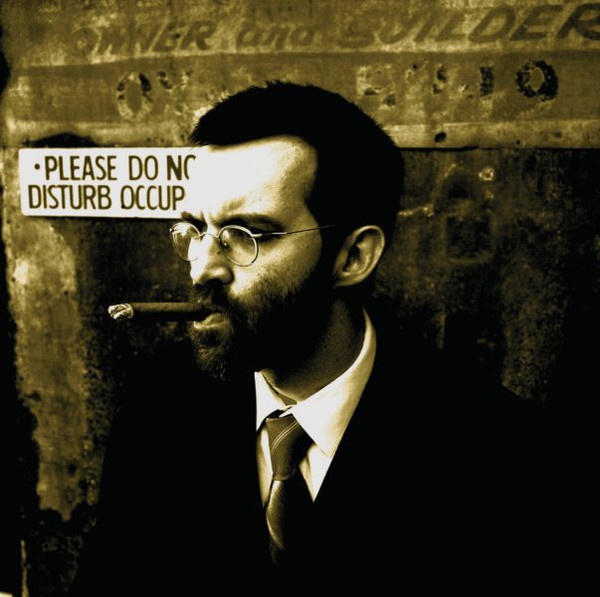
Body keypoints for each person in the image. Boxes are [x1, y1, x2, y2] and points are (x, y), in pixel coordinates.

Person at [70, 81, 554, 595]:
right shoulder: (159, 408)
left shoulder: (498, 453)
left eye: (248, 234)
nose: (203, 268)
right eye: (195, 229)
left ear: (352, 257)